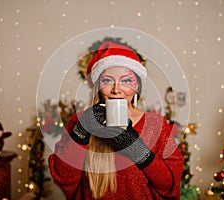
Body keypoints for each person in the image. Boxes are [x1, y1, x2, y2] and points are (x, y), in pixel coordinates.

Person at [48, 41, 184, 200]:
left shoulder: (156, 125)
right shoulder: (79, 120)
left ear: (137, 87)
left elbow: (170, 186)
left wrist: (139, 151)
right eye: (107, 81)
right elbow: (63, 177)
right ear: (98, 86)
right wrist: (82, 131)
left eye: (126, 81)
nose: (116, 89)